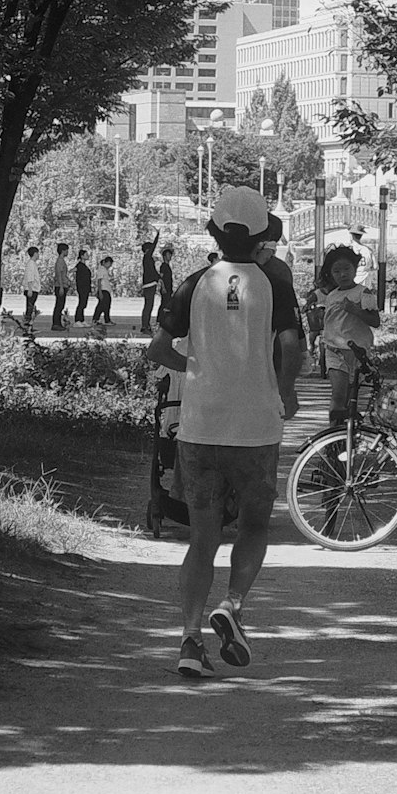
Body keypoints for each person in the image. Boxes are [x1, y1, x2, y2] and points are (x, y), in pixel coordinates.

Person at [148, 183, 303, 683]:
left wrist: (194, 368)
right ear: (262, 235)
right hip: (256, 426)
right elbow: (291, 343)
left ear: (214, 231)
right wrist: (286, 390)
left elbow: (158, 348)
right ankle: (232, 606)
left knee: (203, 536)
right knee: (254, 526)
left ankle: (190, 640)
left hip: (201, 425)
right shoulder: (274, 281)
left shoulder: (194, 283)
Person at [311, 241, 381, 428]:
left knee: (353, 398)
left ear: (355, 268)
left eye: (347, 269)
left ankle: (349, 435)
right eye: (337, 271)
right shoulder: (331, 295)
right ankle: (333, 435)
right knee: (338, 394)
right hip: (335, 352)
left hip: (358, 353)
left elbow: (375, 321)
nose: (342, 274)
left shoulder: (364, 293)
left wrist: (356, 310)